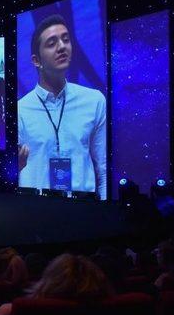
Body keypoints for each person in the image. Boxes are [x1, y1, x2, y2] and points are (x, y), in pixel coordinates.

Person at [18, 14, 107, 199]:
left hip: (84, 209)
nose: (62, 47)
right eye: (52, 43)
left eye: (66, 40)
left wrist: (105, 211)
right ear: (36, 61)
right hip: (36, 209)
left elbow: (103, 168)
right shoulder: (20, 110)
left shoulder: (94, 100)